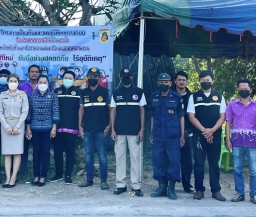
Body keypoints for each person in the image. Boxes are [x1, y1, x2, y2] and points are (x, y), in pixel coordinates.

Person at [225, 79, 256, 204]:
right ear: (238, 90)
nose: (244, 90)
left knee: (254, 170)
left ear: (251, 90)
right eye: (241, 89)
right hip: (236, 142)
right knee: (237, 169)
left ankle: (254, 194)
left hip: (253, 143)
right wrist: (228, 139)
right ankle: (240, 193)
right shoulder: (231, 105)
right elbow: (228, 123)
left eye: (246, 89)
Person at [188, 70, 227, 201]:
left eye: (208, 80)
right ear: (199, 81)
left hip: (215, 135)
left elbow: (223, 117)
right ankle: (199, 190)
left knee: (214, 163)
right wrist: (205, 131)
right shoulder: (193, 97)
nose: (205, 82)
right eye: (203, 80)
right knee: (199, 163)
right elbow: (191, 117)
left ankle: (216, 190)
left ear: (212, 81)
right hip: (199, 136)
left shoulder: (219, 97)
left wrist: (212, 131)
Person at [111, 69, 146, 197]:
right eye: (124, 76)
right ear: (120, 78)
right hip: (119, 130)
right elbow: (112, 111)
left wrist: (142, 129)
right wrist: (112, 129)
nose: (126, 78)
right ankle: (121, 185)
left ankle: (135, 186)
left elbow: (142, 111)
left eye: (128, 76)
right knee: (119, 157)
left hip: (134, 130)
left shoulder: (139, 92)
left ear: (132, 77)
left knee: (135, 157)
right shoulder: (116, 93)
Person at [150, 73, 184, 200]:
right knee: (158, 160)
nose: (164, 84)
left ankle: (171, 188)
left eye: (166, 82)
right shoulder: (154, 97)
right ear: (158, 83)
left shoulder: (176, 97)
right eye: (161, 82)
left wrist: (182, 135)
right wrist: (152, 132)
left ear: (170, 83)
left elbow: (181, 116)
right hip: (158, 135)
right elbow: (152, 116)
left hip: (172, 135)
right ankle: (162, 186)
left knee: (174, 160)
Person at [78, 67, 112, 190]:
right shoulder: (83, 92)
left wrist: (110, 125)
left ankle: (103, 181)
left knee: (102, 155)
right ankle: (89, 179)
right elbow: (81, 110)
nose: (93, 79)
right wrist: (79, 126)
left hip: (101, 129)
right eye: (90, 77)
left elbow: (111, 110)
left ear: (99, 78)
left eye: (95, 77)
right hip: (87, 129)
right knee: (88, 155)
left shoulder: (105, 92)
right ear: (87, 78)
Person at [26, 75, 60, 186]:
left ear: (48, 83)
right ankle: (36, 175)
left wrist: (54, 128)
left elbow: (55, 112)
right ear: (37, 83)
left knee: (45, 152)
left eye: (44, 82)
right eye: (40, 82)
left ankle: (43, 176)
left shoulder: (53, 96)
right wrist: (28, 128)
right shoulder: (32, 96)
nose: (42, 84)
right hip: (34, 128)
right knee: (36, 152)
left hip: (48, 129)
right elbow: (29, 113)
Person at [0, 74, 29, 188]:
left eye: (15, 81)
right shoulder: (2, 95)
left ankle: (14, 177)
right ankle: (7, 177)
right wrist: (6, 126)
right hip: (5, 125)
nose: (13, 83)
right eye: (11, 81)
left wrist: (18, 126)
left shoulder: (23, 95)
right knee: (7, 153)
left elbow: (25, 112)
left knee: (17, 152)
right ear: (7, 82)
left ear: (18, 83)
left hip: (18, 124)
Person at [53, 70, 81, 184]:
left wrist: (80, 126)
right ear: (62, 79)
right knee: (57, 152)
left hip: (72, 127)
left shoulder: (78, 92)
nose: (68, 80)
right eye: (66, 78)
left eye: (70, 78)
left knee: (70, 153)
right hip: (57, 128)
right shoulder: (56, 91)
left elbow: (81, 110)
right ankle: (58, 174)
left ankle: (68, 174)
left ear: (74, 80)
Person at [174, 71, 195, 193]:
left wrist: (188, 131)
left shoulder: (192, 97)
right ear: (175, 81)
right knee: (171, 159)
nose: (181, 82)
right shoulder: (169, 94)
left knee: (187, 161)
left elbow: (195, 116)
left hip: (188, 133)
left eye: (183, 80)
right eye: (179, 80)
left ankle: (187, 185)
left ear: (187, 82)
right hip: (171, 133)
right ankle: (170, 184)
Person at [18, 64, 40, 174]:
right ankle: (23, 170)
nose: (34, 73)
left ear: (39, 74)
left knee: (38, 147)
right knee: (24, 146)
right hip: (24, 120)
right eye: (32, 71)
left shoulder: (43, 85)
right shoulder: (22, 86)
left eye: (36, 72)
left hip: (39, 120)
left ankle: (38, 169)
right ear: (28, 73)